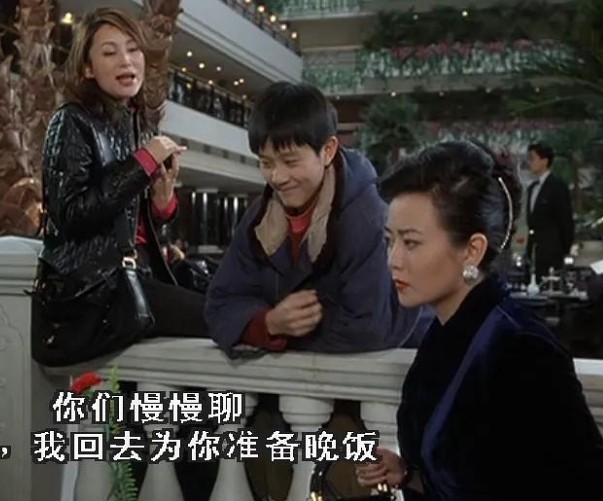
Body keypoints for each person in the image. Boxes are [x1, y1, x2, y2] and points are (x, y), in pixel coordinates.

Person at [356, 140, 603, 501]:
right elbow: (477, 477)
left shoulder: (521, 350)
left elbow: (583, 493)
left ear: (472, 250)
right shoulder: (444, 335)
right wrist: (410, 475)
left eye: (410, 243)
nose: (393, 260)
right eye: (389, 241)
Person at [205, 81, 422, 356]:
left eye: (290, 162)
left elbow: (368, 328)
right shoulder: (257, 220)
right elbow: (219, 306)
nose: (277, 178)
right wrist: (269, 323)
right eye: (266, 163)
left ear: (328, 150)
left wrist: (281, 332)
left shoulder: (368, 217)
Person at [38, 7, 208, 340]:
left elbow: (129, 220)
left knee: (229, 290)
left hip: (141, 269)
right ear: (87, 68)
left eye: (133, 49)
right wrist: (143, 162)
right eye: (110, 52)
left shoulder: (139, 123)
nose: (126, 61)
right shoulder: (71, 121)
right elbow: (71, 214)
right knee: (220, 316)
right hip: (99, 285)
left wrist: (161, 204)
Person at [525, 142, 575, 282]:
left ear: (544, 161)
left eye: (533, 158)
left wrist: (563, 250)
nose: (530, 163)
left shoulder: (557, 187)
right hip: (534, 250)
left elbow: (566, 221)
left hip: (552, 251)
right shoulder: (532, 188)